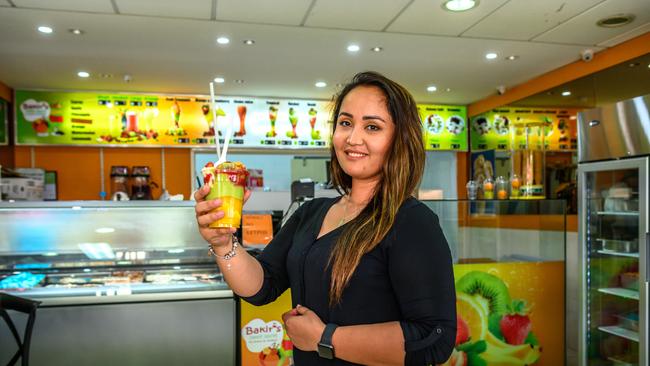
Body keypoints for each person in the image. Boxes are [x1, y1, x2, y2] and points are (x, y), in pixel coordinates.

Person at [194, 71, 456, 365]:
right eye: (345, 123)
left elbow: (434, 338)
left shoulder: (412, 222)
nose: (353, 138)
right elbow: (262, 286)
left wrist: (326, 338)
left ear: (399, 139)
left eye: (372, 127)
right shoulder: (311, 211)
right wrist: (222, 242)